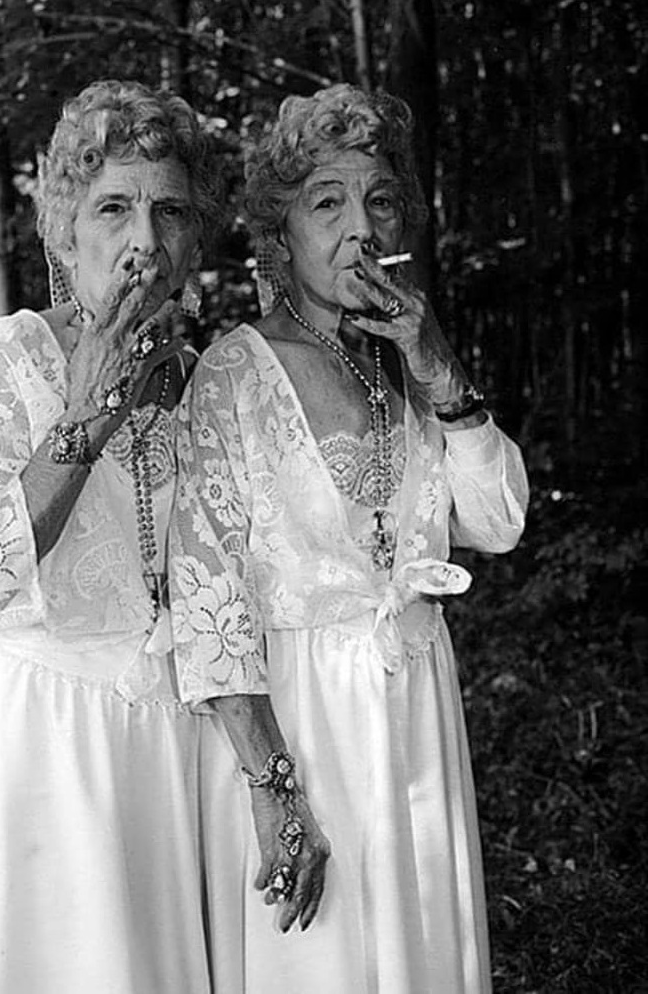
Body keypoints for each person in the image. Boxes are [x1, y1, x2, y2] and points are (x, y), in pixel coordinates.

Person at [170, 83, 529, 993]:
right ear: (279, 231)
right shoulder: (234, 371)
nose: (359, 228)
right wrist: (278, 794)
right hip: (302, 725)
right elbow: (209, 609)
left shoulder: (409, 363)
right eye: (326, 203)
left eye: (379, 201)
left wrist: (436, 363)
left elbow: (497, 522)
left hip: (414, 714)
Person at [0, 80, 220, 993]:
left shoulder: (203, 382)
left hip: (165, 755)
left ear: (193, 241)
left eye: (169, 211)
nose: (143, 241)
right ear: (62, 232)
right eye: (113, 208)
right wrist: (87, 412)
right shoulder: (11, 355)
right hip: (38, 743)